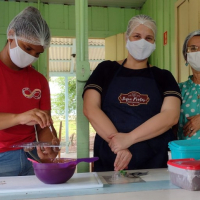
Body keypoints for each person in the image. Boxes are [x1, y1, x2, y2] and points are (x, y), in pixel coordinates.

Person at [83, 14, 182, 172]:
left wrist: (129, 139)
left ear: (154, 42)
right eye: (137, 36)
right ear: (126, 38)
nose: (143, 42)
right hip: (112, 159)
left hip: (155, 161)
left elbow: (171, 115)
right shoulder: (105, 70)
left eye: (148, 38)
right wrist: (118, 146)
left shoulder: (164, 76)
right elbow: (90, 108)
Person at [0, 6, 59, 176]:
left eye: (37, 53)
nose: (31, 56)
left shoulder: (39, 80)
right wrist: (19, 118)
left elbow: (43, 126)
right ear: (11, 35)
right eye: (27, 48)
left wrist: (49, 146)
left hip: (31, 157)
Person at [177, 30, 200, 140]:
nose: (198, 52)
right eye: (193, 48)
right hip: (185, 154)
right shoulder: (178, 89)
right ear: (186, 57)